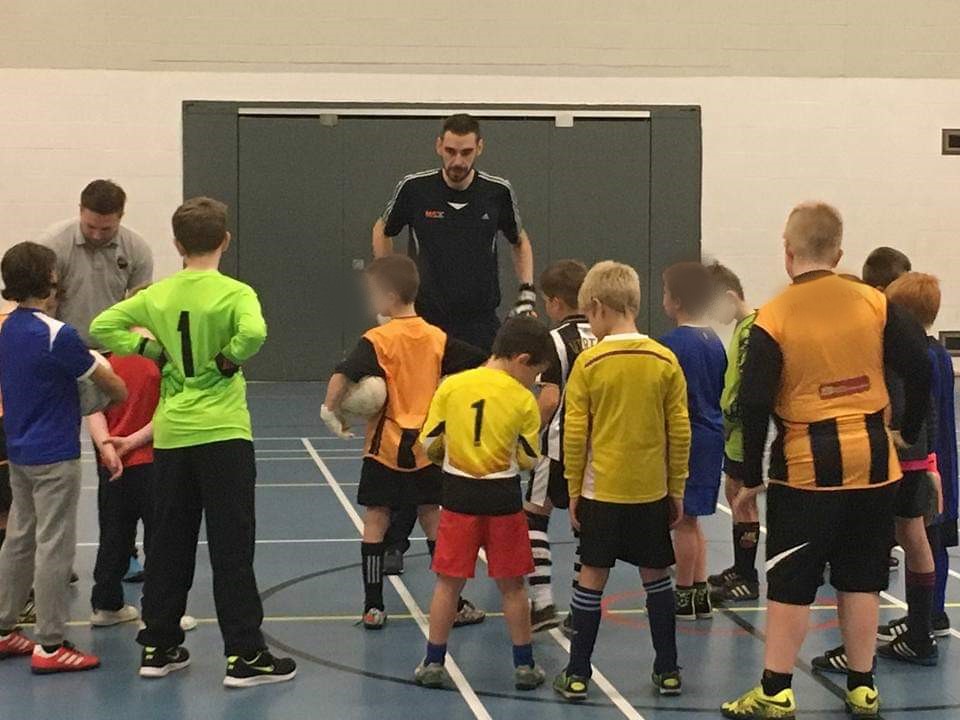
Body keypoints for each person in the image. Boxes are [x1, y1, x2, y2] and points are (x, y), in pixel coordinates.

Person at [721, 202, 931, 720]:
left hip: (804, 462)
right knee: (862, 577)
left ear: (787, 252)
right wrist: (906, 429)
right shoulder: (874, 303)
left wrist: (750, 473)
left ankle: (775, 689)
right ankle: (863, 687)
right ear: (839, 253)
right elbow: (923, 366)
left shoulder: (775, 314)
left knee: (791, 580)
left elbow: (752, 400)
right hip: (874, 458)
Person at [89, 197, 296, 688]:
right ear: (225, 240)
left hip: (175, 438)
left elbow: (101, 327)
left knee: (169, 542)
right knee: (231, 546)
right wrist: (227, 361)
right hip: (224, 434)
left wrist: (153, 350)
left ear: (178, 245)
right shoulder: (235, 292)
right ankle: (245, 655)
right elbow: (256, 334)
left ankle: (159, 646)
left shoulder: (158, 295)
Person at [372, 113, 533, 608]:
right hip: (428, 325)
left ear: (479, 149)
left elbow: (519, 240)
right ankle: (398, 538)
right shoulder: (415, 190)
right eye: (450, 151)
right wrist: (389, 282)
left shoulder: (497, 192)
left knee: (474, 426)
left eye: (466, 152)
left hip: (480, 324)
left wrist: (525, 291)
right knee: (413, 426)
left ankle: (474, 527)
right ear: (438, 147)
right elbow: (384, 228)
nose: (457, 161)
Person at [321, 255, 485, 629]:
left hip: (384, 448)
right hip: (426, 450)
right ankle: (454, 602)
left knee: (376, 519)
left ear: (390, 295)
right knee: (433, 518)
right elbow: (479, 360)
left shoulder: (377, 340)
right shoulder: (437, 337)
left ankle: (373, 605)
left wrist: (330, 411)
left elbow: (343, 373)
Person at [554, 261, 690, 701]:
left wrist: (574, 488)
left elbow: (576, 432)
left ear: (596, 308)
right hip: (650, 492)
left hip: (601, 491)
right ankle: (668, 669)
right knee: (658, 579)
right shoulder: (664, 359)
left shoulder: (590, 362)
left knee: (592, 576)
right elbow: (679, 430)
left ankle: (577, 672)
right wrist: (676, 488)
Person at [0, 241, 127, 674]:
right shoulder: (59, 335)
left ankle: (3, 628)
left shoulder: (9, 329)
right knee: (54, 547)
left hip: (18, 451)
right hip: (55, 454)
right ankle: (50, 645)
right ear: (50, 279)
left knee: (19, 539)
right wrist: (103, 375)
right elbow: (113, 385)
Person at [813, 268, 941, 673]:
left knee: (865, 545)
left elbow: (891, 403)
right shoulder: (929, 350)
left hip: (893, 456)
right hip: (916, 455)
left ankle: (859, 652)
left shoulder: (895, 351)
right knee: (912, 535)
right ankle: (920, 632)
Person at [414, 317, 552, 692]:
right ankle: (524, 666)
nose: (535, 381)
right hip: (502, 497)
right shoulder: (524, 399)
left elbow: (429, 443)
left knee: (448, 585)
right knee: (513, 586)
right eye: (536, 372)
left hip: (457, 496)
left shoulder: (452, 385)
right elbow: (527, 457)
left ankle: (432, 661)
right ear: (522, 359)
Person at [524, 260, 595, 634]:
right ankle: (582, 607)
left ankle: (543, 602)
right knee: (587, 525)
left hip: (557, 445)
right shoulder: (605, 334)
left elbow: (549, 398)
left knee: (534, 517)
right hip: (598, 448)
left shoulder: (553, 341)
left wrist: (526, 431)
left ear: (553, 303)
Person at [659, 262, 726, 622]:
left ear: (678, 300)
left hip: (687, 438)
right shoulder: (713, 340)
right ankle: (699, 591)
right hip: (711, 435)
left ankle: (683, 592)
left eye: (666, 294)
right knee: (694, 519)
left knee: (682, 519)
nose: (664, 301)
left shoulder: (671, 345)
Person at [38, 179, 153, 348]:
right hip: (63, 348)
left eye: (106, 229)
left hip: (115, 349)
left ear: (121, 217)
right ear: (80, 211)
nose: (96, 235)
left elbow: (140, 309)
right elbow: (41, 304)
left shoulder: (137, 249)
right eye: (90, 226)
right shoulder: (53, 245)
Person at [706, 262, 761, 603]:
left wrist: (729, 418)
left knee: (744, 501)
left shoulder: (753, 331)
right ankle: (740, 568)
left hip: (743, 430)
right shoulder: (741, 329)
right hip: (734, 432)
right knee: (733, 493)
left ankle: (748, 576)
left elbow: (747, 386)